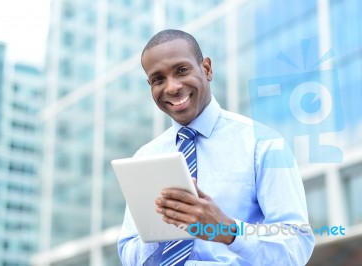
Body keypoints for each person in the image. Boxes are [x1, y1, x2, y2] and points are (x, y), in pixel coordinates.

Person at [118, 29, 315, 265]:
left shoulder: (262, 144)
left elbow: (297, 246)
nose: (171, 87)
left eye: (182, 70)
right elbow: (127, 252)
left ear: (207, 69)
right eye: (158, 79)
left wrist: (226, 229)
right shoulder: (145, 157)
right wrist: (161, 229)